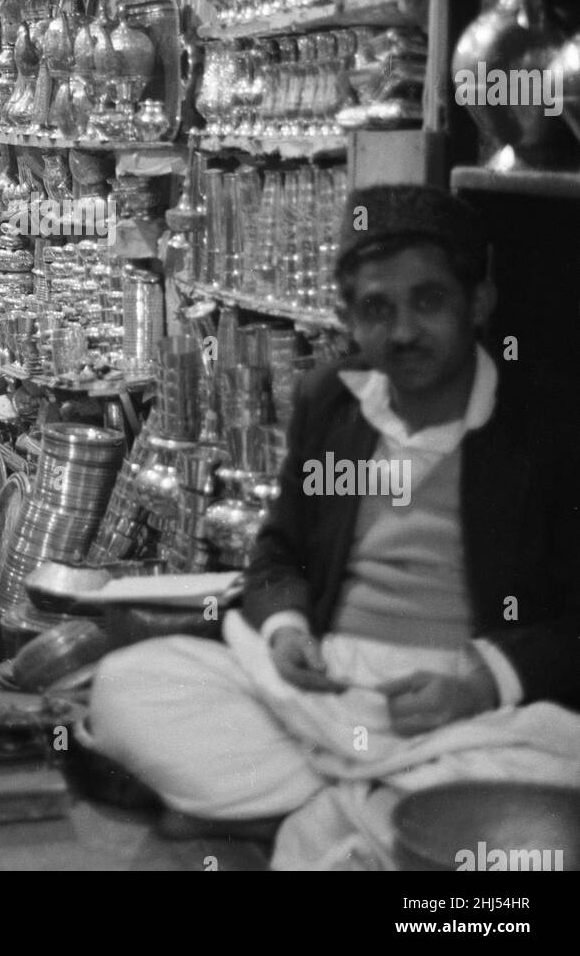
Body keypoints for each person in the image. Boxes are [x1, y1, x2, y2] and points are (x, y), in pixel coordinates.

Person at [87, 184, 580, 869]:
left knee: (552, 773)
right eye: (377, 309)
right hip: (325, 689)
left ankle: (311, 806)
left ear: (478, 301)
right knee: (127, 685)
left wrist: (480, 682)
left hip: (468, 712)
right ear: (348, 318)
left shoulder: (546, 425)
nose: (403, 331)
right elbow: (277, 557)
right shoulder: (332, 402)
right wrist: (287, 630)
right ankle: (374, 807)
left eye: (428, 300)